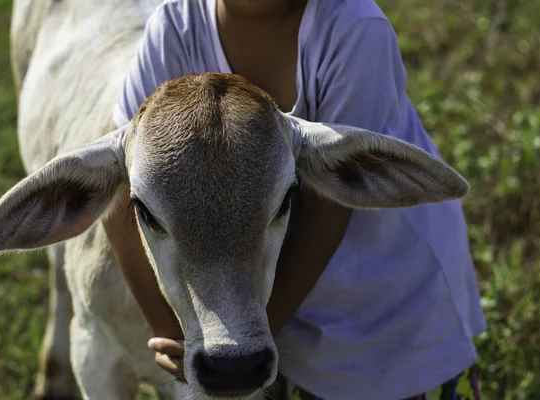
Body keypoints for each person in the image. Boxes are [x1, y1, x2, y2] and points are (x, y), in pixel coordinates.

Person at [104, 0, 486, 398]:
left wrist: (247, 340)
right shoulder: (174, 29)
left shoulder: (354, 28)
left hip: (384, 299)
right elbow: (122, 182)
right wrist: (172, 332)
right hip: (256, 304)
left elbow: (330, 209)